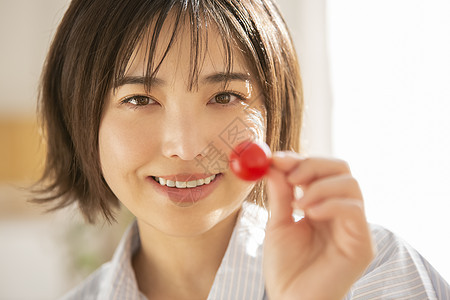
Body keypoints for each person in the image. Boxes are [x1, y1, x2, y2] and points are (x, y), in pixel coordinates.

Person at [33, 0, 449, 299]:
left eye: (225, 96)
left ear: (274, 110)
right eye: (139, 100)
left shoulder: (374, 273)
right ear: (82, 120)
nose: (186, 146)